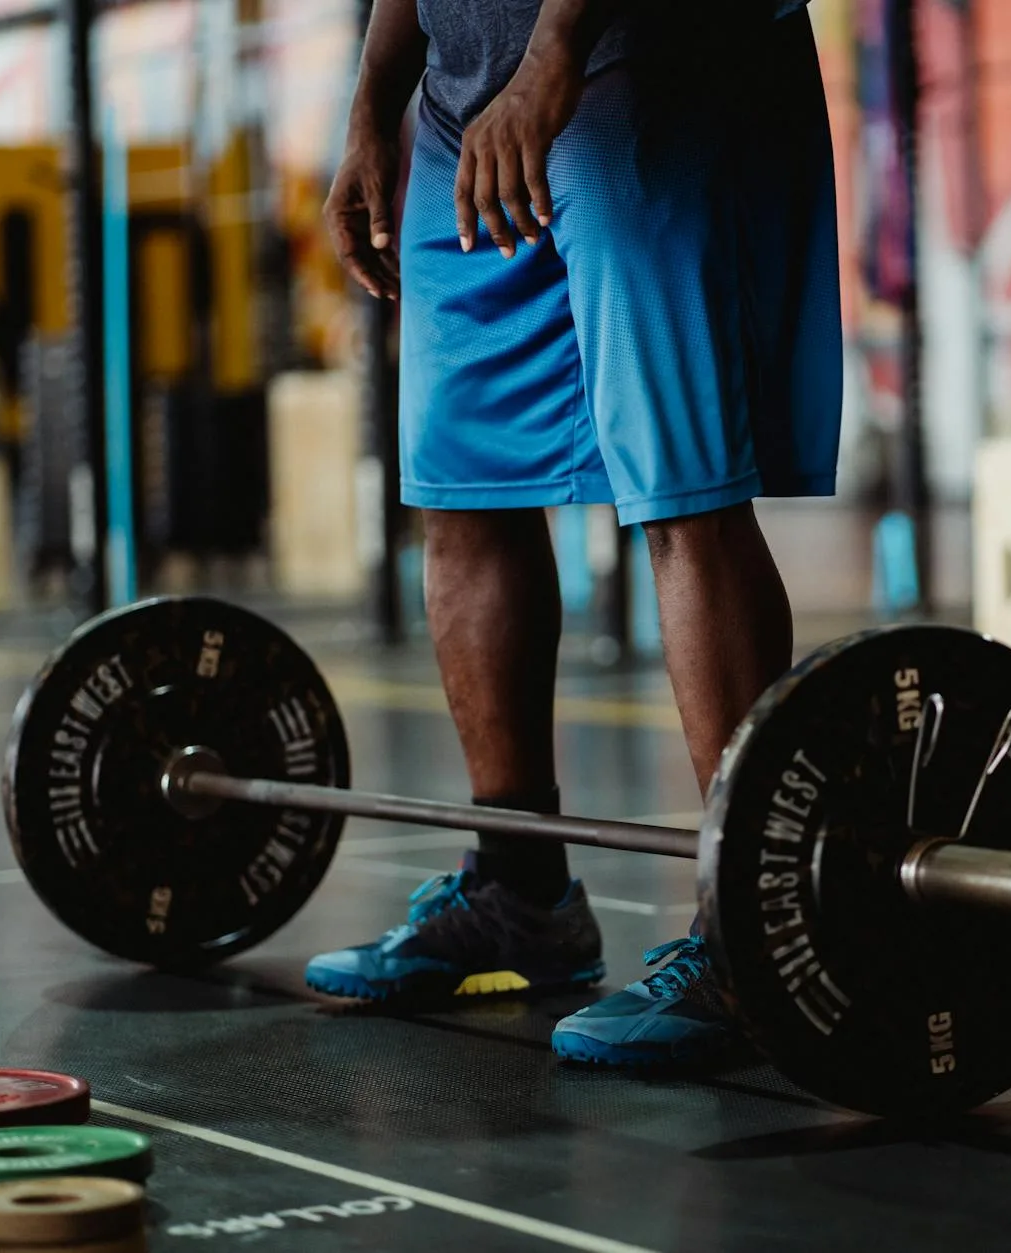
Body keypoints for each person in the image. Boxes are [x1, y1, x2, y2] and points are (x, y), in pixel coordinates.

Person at [305, 0, 842, 1069]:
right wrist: (371, 101)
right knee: (459, 491)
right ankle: (520, 887)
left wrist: (555, 49)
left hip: (643, 58)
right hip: (460, 96)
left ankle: (754, 929)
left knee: (682, 489)